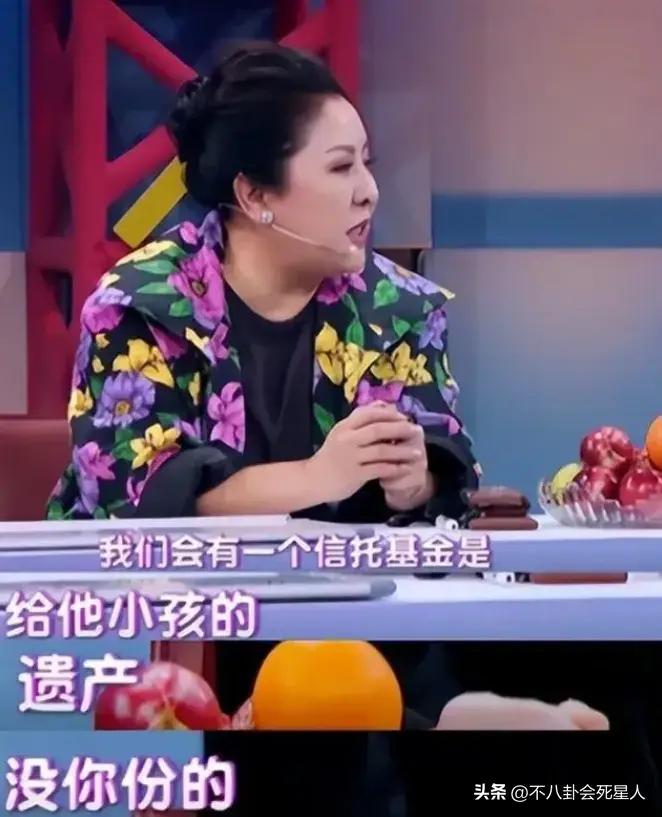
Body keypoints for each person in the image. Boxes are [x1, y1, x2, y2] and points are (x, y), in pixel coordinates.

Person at [50, 42, 612, 735]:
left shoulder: (396, 306)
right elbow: (138, 496)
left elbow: (446, 475)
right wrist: (320, 475)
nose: (369, 190)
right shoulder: (140, 304)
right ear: (256, 195)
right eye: (342, 167)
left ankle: (453, 719)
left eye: (367, 162)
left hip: (358, 618)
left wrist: (412, 479)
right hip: (174, 624)